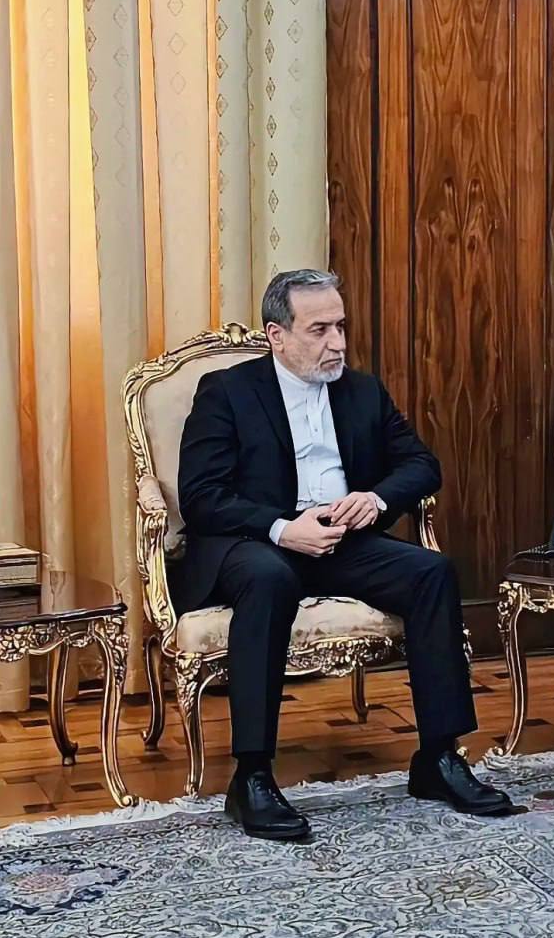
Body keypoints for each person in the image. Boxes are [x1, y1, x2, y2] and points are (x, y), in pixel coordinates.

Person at [175, 269, 512, 841]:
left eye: (341, 327)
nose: (337, 343)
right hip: (256, 543)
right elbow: (202, 496)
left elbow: (422, 465)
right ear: (277, 335)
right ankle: (252, 776)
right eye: (320, 330)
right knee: (269, 580)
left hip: (340, 540)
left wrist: (375, 499)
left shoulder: (361, 391)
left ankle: (438, 757)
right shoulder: (226, 392)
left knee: (431, 572)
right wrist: (283, 529)